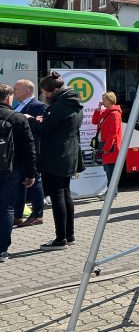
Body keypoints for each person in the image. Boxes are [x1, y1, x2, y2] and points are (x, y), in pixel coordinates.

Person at [28, 72, 83, 251]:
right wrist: (46, 120)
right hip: (69, 154)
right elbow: (61, 126)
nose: (44, 96)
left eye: (45, 93)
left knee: (57, 195)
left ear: (55, 90)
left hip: (56, 155)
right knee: (66, 194)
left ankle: (60, 239)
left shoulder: (59, 105)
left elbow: (44, 130)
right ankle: (70, 235)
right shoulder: (72, 103)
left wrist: (31, 121)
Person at [0, 84, 36, 263]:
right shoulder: (18, 117)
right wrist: (30, 174)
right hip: (12, 169)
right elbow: (29, 148)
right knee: (6, 207)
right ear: (8, 98)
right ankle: (2, 250)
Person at [12, 79, 46, 227]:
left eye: (17, 89)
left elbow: (40, 130)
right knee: (21, 182)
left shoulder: (39, 106)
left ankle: (37, 214)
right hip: (18, 151)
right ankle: (17, 215)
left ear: (27, 91)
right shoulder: (18, 106)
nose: (14, 92)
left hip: (31, 150)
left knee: (34, 180)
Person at [91, 91, 123, 197]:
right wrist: (98, 110)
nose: (102, 101)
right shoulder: (106, 112)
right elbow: (95, 121)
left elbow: (113, 134)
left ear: (110, 100)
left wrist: (107, 148)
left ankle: (112, 193)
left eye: (104, 99)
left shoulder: (115, 114)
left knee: (111, 171)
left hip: (111, 147)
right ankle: (111, 192)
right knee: (108, 170)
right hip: (105, 146)